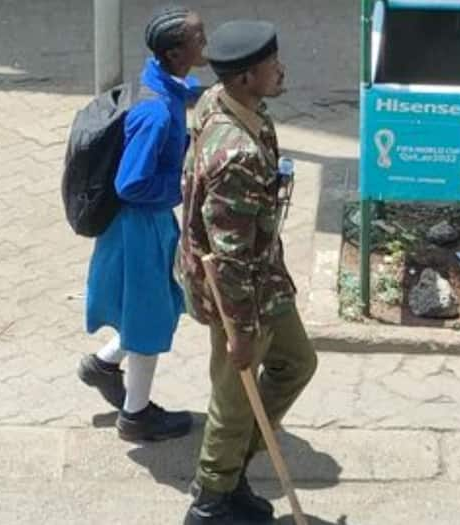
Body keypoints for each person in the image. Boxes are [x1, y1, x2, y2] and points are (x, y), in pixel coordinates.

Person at [176, 20, 318, 524]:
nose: (279, 70)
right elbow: (230, 254)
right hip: (239, 292)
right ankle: (212, 500)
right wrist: (238, 329)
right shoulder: (235, 155)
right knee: (236, 395)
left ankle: (232, 470)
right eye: (269, 65)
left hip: (264, 277)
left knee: (296, 362)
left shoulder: (223, 100)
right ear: (243, 79)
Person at [77, 5, 208, 442]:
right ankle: (136, 416)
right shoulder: (153, 116)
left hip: (145, 227)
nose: (204, 44)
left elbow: (178, 91)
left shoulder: (158, 80)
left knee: (156, 307)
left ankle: (104, 364)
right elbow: (131, 183)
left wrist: (200, 93)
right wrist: (184, 182)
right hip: (141, 228)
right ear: (175, 52)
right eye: (198, 39)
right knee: (150, 317)